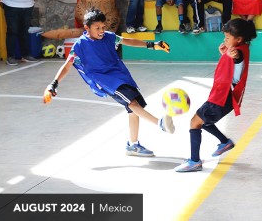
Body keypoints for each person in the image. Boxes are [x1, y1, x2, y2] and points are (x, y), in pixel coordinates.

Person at [43, 9, 173, 157]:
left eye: (103, 27)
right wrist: (53, 84)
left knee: (133, 108)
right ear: (87, 28)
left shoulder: (109, 37)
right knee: (132, 104)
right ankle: (160, 124)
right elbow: (67, 65)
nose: (101, 31)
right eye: (97, 28)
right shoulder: (80, 45)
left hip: (120, 75)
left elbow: (128, 41)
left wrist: (152, 45)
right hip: (105, 80)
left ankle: (133, 145)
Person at [174, 18, 257, 172]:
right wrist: (225, 53)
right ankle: (224, 142)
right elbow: (231, 65)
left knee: (195, 123)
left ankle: (194, 161)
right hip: (224, 98)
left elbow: (236, 75)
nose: (224, 40)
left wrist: (234, 58)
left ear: (238, 39)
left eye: (227, 38)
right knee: (204, 121)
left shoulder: (237, 53)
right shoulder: (241, 48)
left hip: (221, 98)